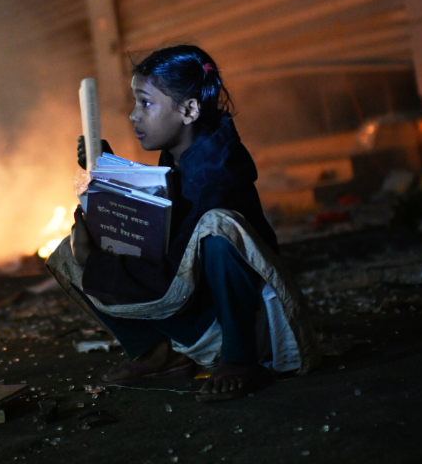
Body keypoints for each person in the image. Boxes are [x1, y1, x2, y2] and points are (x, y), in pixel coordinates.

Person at [60, 45, 300, 402]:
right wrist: (107, 177)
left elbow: (172, 269)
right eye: (135, 102)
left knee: (218, 230)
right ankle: (159, 354)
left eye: (146, 103)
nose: (133, 116)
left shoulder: (216, 175)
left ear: (189, 110)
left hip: (242, 323)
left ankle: (239, 362)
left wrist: (95, 259)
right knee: (68, 252)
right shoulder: (184, 152)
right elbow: (162, 217)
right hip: (196, 306)